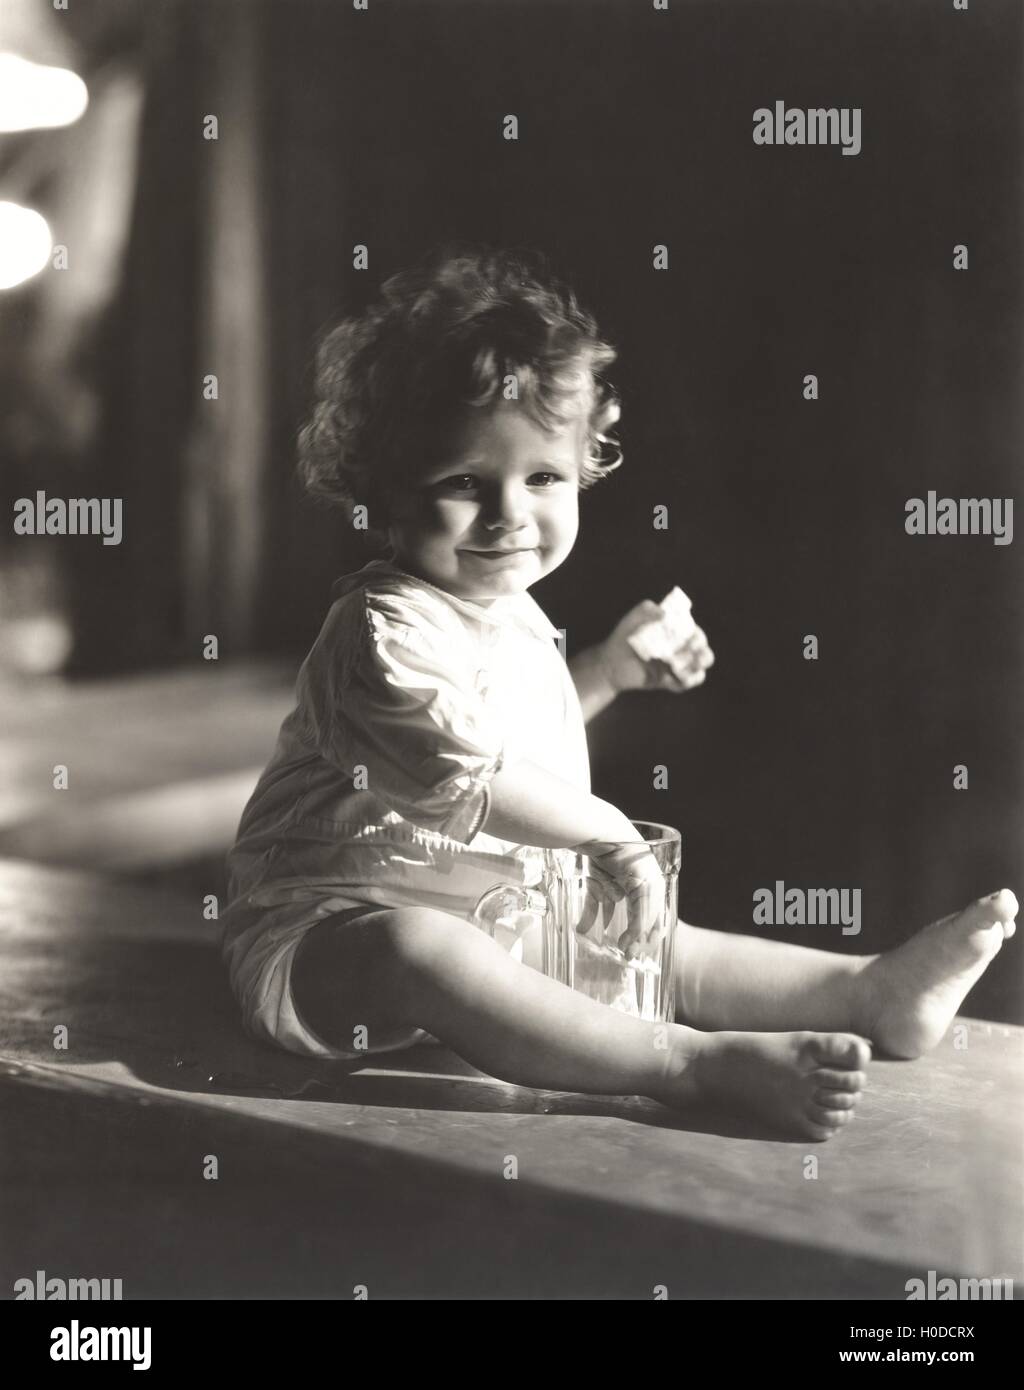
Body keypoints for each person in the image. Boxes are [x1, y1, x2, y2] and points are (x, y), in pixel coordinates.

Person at [221, 245, 1016, 1139]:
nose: (509, 513)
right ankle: (685, 1063)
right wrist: (610, 837)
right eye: (462, 483)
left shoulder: (509, 609)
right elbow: (461, 774)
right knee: (419, 948)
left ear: (585, 464)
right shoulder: (379, 631)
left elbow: (505, 745)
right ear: (381, 494)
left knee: (658, 944)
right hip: (326, 944)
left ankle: (865, 992)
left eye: (543, 477)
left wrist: (606, 669)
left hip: (495, 917)